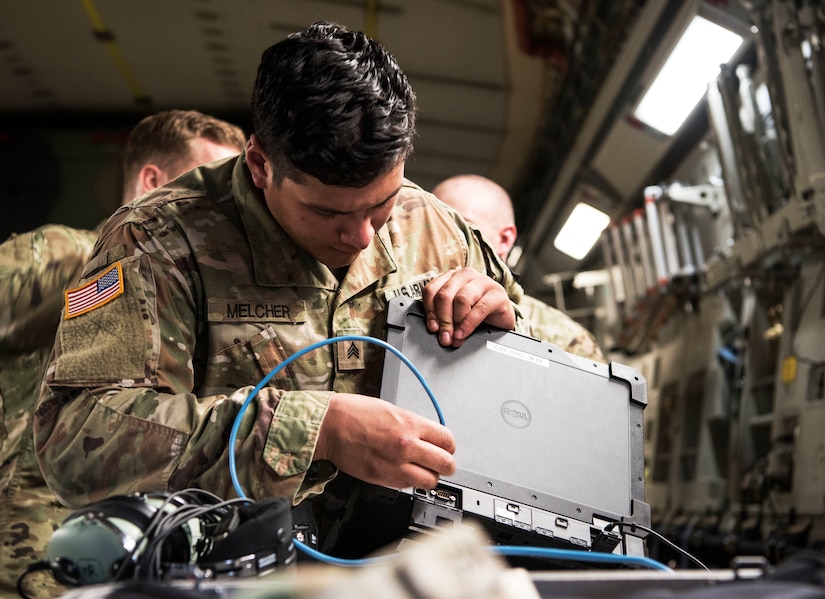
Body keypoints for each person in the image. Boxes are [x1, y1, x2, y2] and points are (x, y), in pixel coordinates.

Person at [33, 21, 528, 559]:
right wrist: (314, 429)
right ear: (261, 165)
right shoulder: (153, 243)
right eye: (327, 212)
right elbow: (75, 442)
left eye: (381, 205)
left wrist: (502, 328)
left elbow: (527, 389)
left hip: (406, 569)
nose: (362, 236)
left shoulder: (436, 227)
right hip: (233, 571)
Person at [0, 109, 245, 598]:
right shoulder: (72, 254)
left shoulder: (201, 304)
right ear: (151, 182)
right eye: (207, 189)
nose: (224, 213)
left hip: (122, 567)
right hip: (28, 560)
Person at [432, 174, 606, 362]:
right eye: (433, 227)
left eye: (461, 227)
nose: (440, 241)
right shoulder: (405, 306)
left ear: (505, 240)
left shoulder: (566, 340)